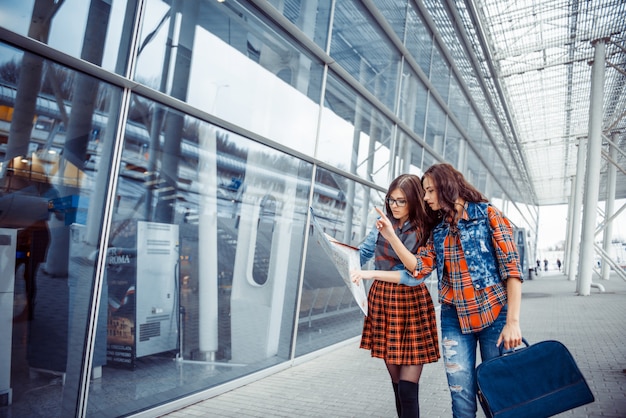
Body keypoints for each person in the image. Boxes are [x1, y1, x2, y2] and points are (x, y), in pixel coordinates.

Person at [354, 163, 523, 418]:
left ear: (447, 188)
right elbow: (419, 268)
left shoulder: (488, 215)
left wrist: (513, 322)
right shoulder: (439, 229)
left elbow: (512, 270)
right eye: (424, 192)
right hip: (454, 316)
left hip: (494, 315)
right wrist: (391, 236)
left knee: (498, 391)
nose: (425, 198)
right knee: (461, 397)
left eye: (430, 191)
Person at [352, 174, 440, 418]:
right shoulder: (382, 223)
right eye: (391, 200)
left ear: (413, 201)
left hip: (412, 304)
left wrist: (372, 273)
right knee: (397, 386)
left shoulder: (425, 230)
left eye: (401, 201)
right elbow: (362, 253)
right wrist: (341, 253)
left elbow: (414, 276)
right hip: (383, 302)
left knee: (408, 390)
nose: (394, 206)